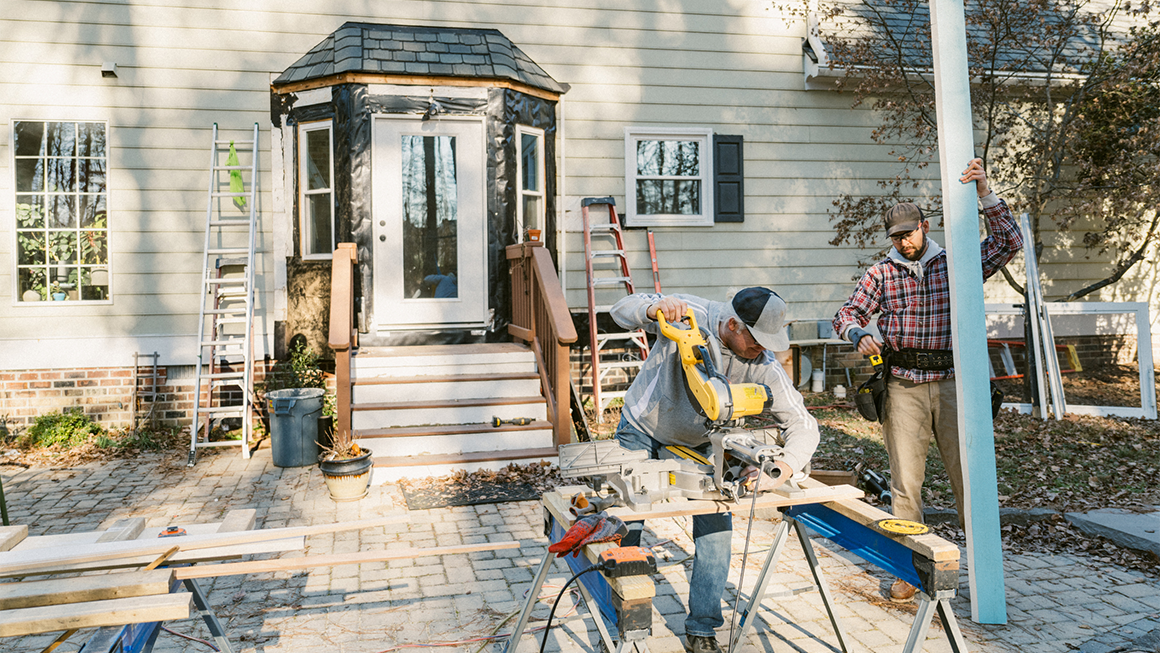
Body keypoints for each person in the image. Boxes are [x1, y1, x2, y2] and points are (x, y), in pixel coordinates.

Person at [832, 158, 1023, 601]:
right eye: (896, 236)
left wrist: (984, 192)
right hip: (904, 386)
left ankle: (983, 574)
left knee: (969, 480)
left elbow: (1008, 242)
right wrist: (859, 333)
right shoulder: (881, 273)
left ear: (925, 225)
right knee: (905, 484)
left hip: (957, 383)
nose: (904, 241)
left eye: (909, 232)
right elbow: (847, 313)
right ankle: (909, 570)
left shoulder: (956, 261)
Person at [610, 287, 820, 653]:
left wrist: (784, 467)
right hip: (641, 429)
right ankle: (622, 620)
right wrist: (652, 309)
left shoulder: (763, 362)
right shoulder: (689, 313)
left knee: (716, 527)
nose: (762, 349)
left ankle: (702, 630)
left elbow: (803, 424)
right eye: (756, 340)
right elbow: (620, 308)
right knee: (628, 525)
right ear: (733, 324)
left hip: (699, 442)